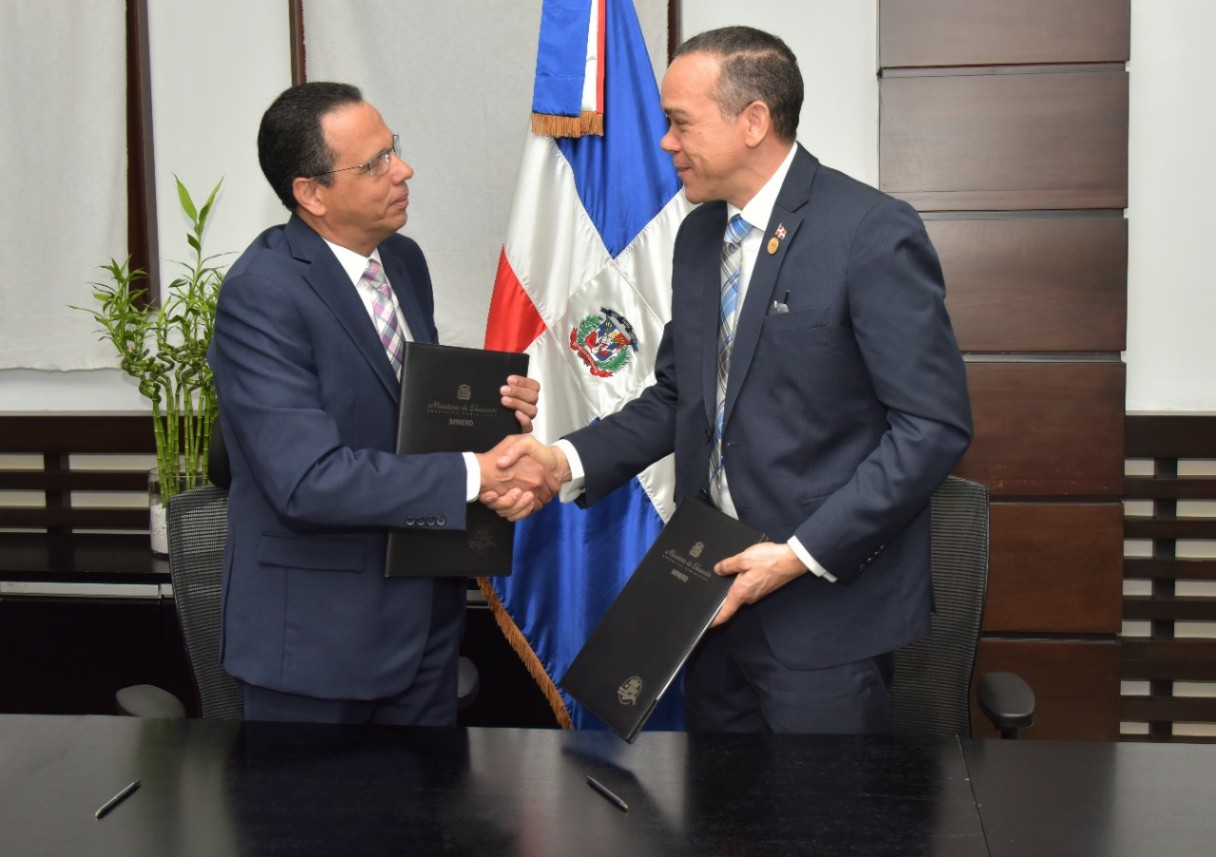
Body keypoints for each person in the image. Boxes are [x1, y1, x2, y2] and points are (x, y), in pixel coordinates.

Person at [490, 27, 973, 734]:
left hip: (823, 615)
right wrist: (561, 458)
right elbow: (682, 398)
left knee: (820, 831)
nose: (665, 143)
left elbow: (933, 427)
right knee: (723, 825)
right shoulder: (698, 236)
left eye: (680, 123)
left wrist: (798, 555)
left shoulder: (869, 231)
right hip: (708, 604)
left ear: (754, 121)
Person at [207, 82, 554, 726]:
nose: (404, 169)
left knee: (421, 825)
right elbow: (307, 481)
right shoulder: (262, 294)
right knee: (319, 828)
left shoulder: (402, 259)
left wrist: (496, 410)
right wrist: (480, 472)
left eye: (392, 149)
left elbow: (411, 411)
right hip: (316, 640)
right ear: (310, 193)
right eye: (374, 164)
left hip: (423, 621)